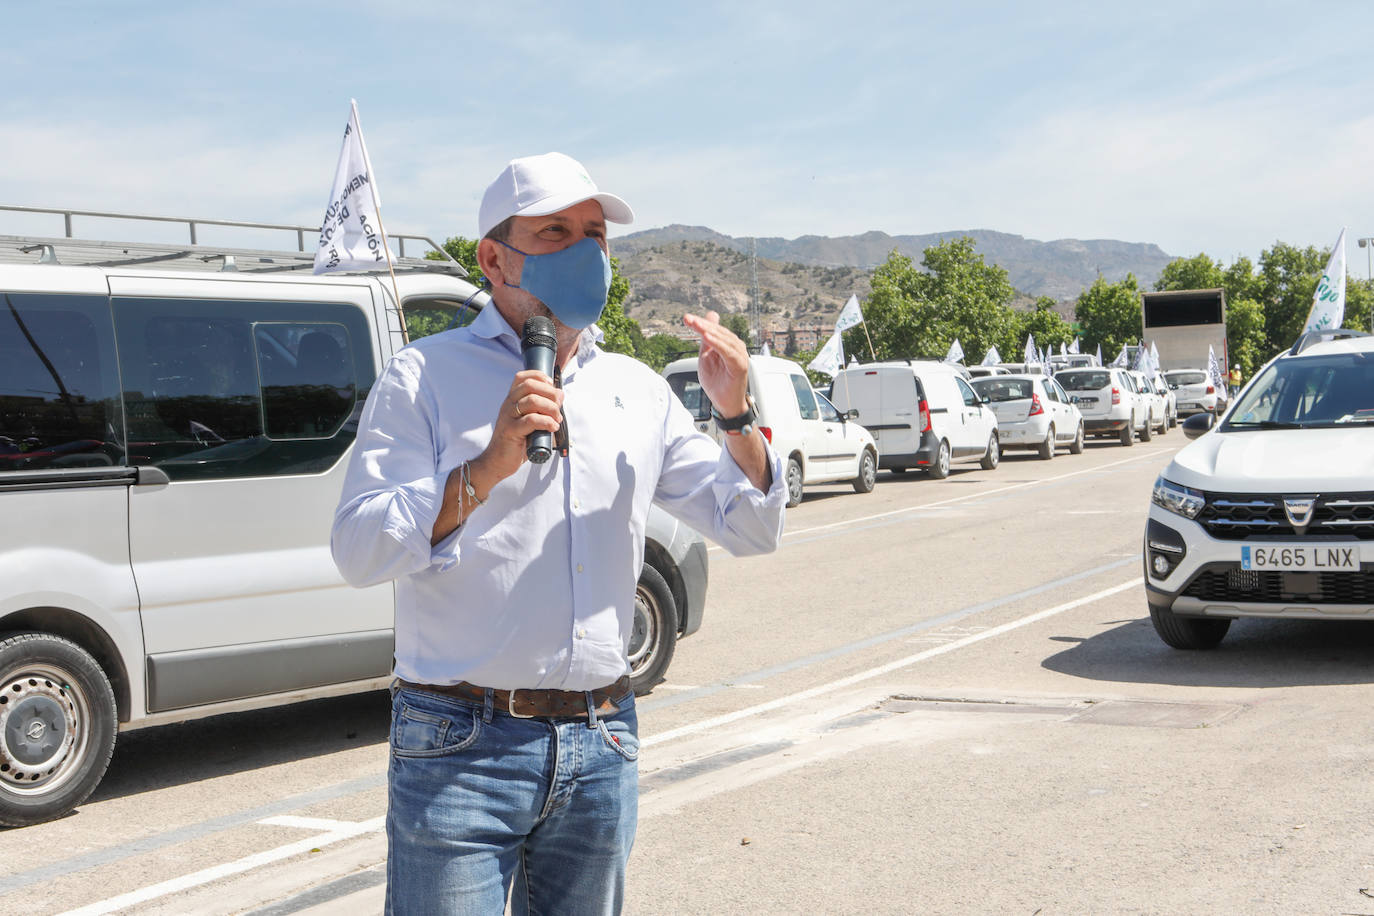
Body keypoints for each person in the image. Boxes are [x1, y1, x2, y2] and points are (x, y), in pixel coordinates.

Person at [330, 151, 786, 915]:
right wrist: (486, 467)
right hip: (458, 745)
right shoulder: (423, 378)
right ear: (493, 258)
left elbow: (748, 524)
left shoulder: (634, 391)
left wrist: (736, 416)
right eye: (556, 231)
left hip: (601, 740)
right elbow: (359, 548)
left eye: (595, 234)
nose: (586, 251)